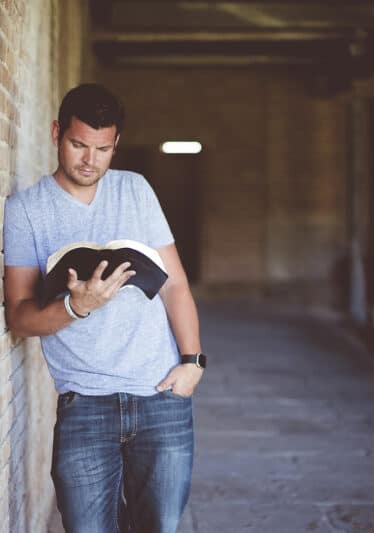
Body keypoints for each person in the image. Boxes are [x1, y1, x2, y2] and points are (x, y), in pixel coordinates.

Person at [3, 83, 206, 533]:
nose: (89, 160)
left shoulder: (135, 190)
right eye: (78, 145)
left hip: (161, 395)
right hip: (84, 404)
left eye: (102, 149)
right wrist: (77, 308)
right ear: (57, 132)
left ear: (115, 144)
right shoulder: (26, 211)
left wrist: (192, 362)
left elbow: (175, 286)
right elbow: (18, 315)